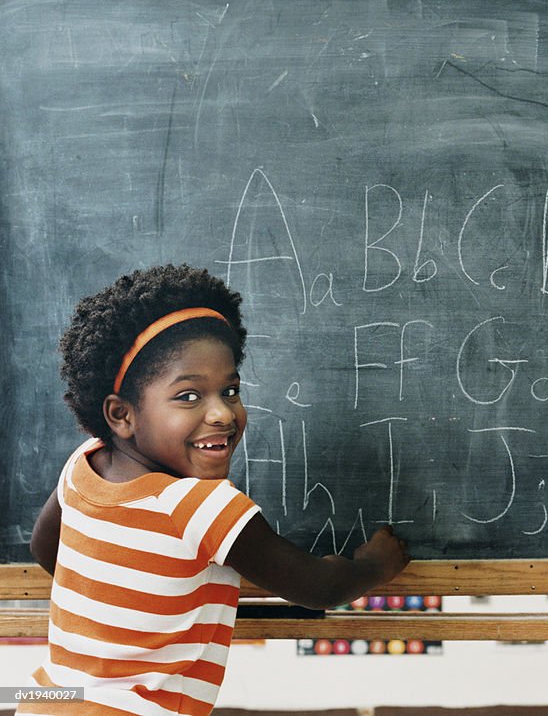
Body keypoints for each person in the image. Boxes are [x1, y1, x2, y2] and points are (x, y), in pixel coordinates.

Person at [20, 264, 410, 716]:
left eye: (230, 391)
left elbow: (44, 547)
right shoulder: (201, 507)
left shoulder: (82, 466)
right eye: (189, 397)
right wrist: (375, 566)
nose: (222, 414)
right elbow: (317, 587)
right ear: (121, 415)